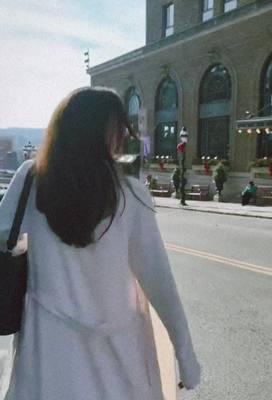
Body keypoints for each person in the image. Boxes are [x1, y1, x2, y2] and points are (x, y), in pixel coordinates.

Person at [0, 87, 200, 400]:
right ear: (107, 134)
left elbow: (3, 237)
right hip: (117, 357)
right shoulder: (130, 195)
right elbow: (160, 281)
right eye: (119, 130)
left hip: (47, 355)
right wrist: (186, 356)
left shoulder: (32, 179)